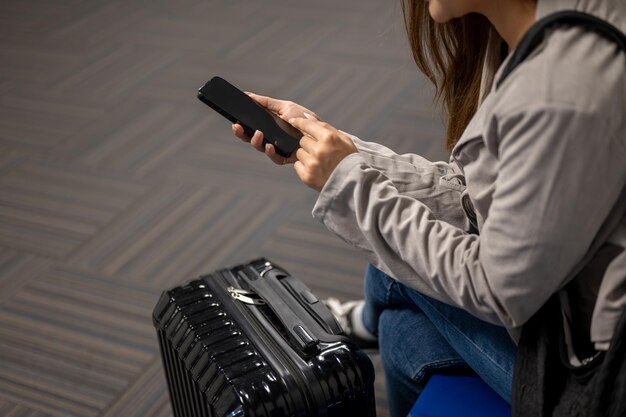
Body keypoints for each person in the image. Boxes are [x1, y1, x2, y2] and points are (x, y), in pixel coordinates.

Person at [232, 0, 626, 416]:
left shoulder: (562, 94)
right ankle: (359, 325)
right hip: (564, 300)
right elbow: (469, 195)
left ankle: (351, 325)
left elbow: (497, 289)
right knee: (401, 333)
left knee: (393, 282)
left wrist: (348, 182)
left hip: (596, 373)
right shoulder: (532, 32)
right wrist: (339, 151)